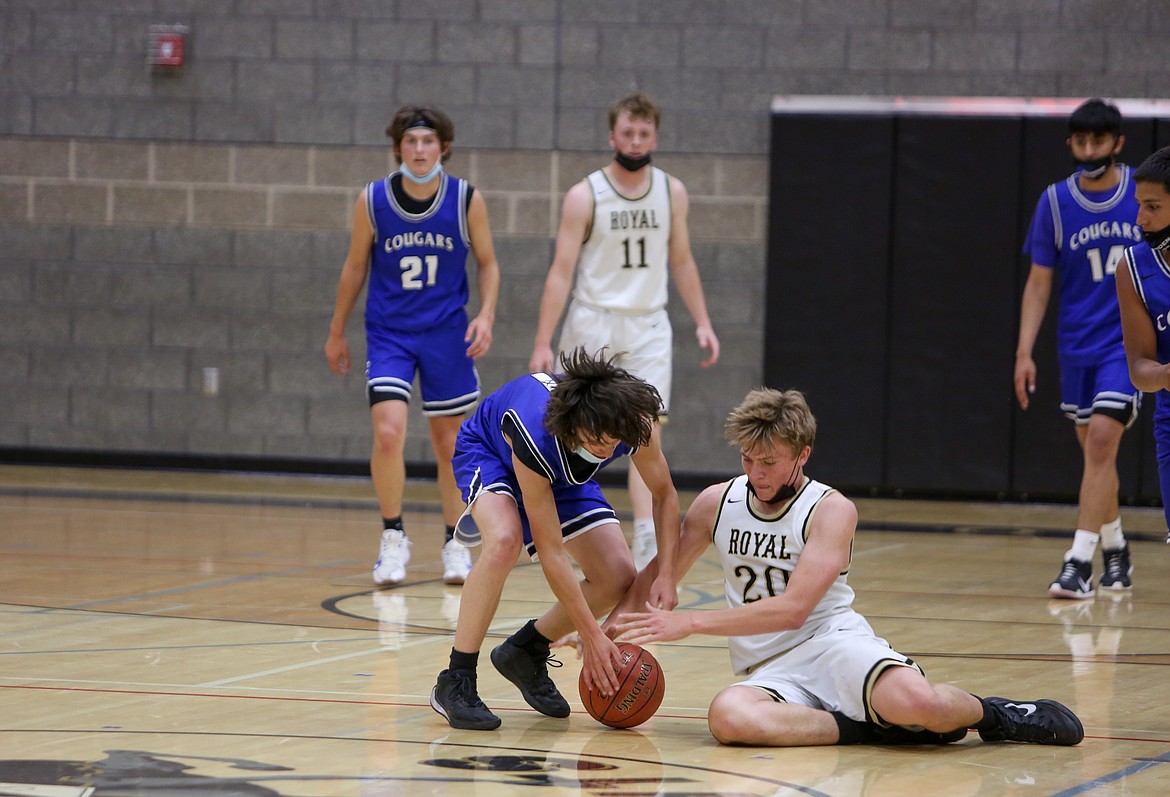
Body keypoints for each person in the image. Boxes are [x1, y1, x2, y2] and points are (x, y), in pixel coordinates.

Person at [611, 387, 1085, 748]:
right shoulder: (718, 501)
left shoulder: (831, 510)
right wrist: (604, 633)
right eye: (748, 459)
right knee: (729, 718)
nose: (757, 473)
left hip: (832, 644)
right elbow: (658, 573)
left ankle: (996, 715)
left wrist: (689, 622)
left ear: (803, 455)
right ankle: (878, 731)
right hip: (769, 668)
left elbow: (794, 610)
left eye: (770, 462)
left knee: (920, 703)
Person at [429, 347, 681, 731]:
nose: (609, 451)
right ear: (577, 421)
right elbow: (552, 552)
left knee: (616, 575)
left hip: (558, 473)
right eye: (601, 442)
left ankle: (525, 649)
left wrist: (667, 571)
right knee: (504, 542)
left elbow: (664, 494)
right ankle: (456, 679)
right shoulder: (534, 428)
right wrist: (590, 634)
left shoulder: (631, 423)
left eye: (616, 443)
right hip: (491, 452)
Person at [528, 92, 719, 572]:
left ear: (655, 136)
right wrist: (541, 340)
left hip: (649, 322)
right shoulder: (584, 194)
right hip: (593, 320)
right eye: (627, 132)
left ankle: (648, 538)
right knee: (572, 430)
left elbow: (681, 259)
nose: (635, 141)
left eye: (644, 133)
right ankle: (565, 532)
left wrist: (703, 321)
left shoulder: (671, 191)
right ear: (612, 135)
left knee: (646, 431)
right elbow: (561, 271)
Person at [325, 105, 500, 589]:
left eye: (428, 141)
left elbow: (488, 263)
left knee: (451, 446)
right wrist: (337, 329)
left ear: (443, 147)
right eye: (410, 141)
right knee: (387, 433)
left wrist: (485, 314)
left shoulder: (466, 198)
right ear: (398, 147)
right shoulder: (373, 200)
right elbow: (355, 268)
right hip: (390, 334)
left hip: (447, 335)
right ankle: (392, 537)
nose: (419, 150)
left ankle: (454, 542)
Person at [1013, 98, 1142, 599]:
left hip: (1127, 346)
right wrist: (1025, 350)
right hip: (1077, 346)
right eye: (1080, 141)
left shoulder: (1144, 194)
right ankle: (1116, 548)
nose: (1089, 149)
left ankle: (1077, 563)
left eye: (1098, 140)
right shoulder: (1054, 202)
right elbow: (1039, 283)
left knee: (1104, 442)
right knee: (1094, 455)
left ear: (1118, 143)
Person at [1115, 144, 1170, 545]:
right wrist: (1167, 374)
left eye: (1153, 206)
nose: (1140, 219)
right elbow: (1140, 369)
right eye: (1139, 206)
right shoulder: (1133, 268)